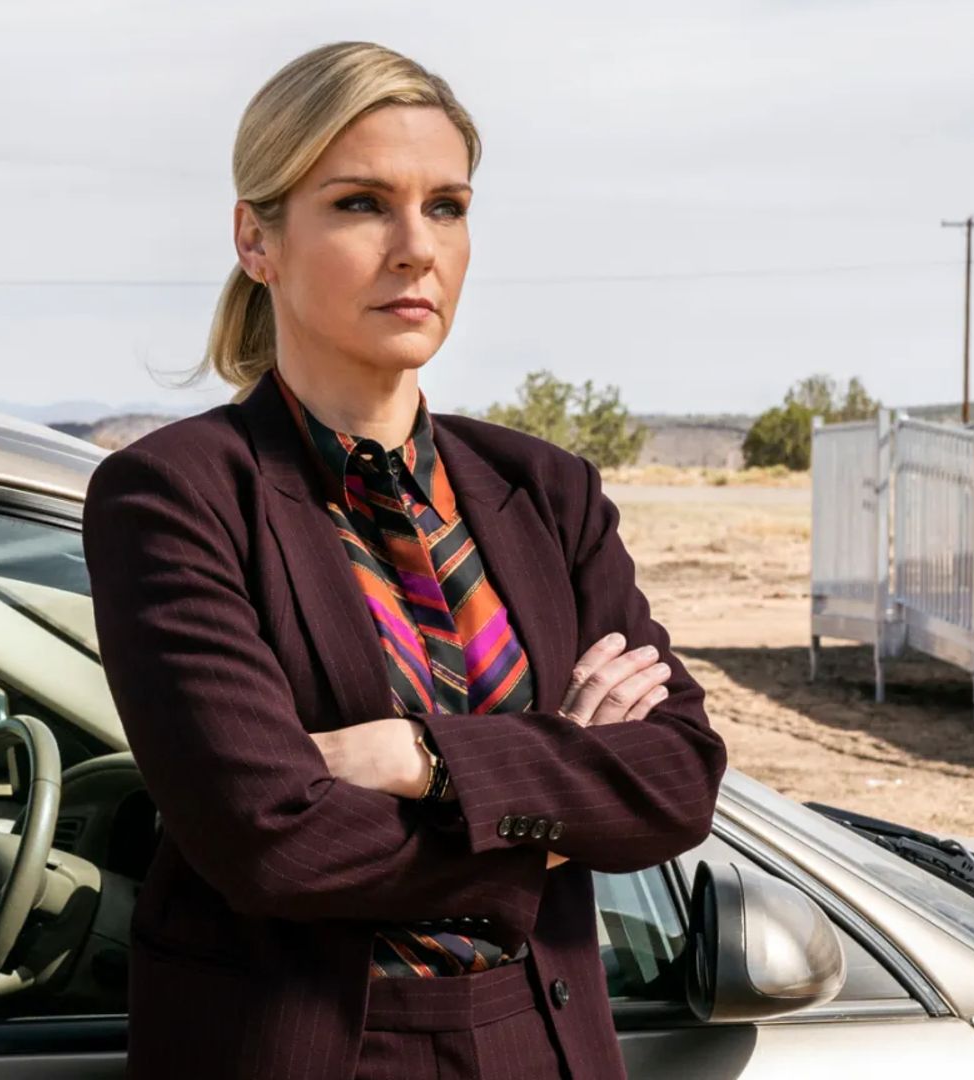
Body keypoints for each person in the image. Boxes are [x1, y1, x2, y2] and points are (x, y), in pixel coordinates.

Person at [82, 40, 729, 1080]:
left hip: (544, 1045)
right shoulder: (174, 496)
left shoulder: (547, 490)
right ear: (257, 239)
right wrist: (550, 815)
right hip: (310, 1054)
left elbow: (679, 778)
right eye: (361, 204)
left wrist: (419, 759)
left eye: (447, 206)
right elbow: (271, 842)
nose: (416, 248)